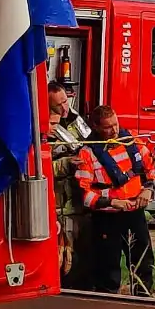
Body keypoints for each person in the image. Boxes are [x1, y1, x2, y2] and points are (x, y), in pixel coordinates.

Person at [74, 105, 155, 296]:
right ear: (95, 127)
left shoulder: (132, 143)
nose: (114, 130)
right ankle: (107, 304)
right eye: (108, 127)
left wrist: (148, 190)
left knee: (143, 263)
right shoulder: (87, 154)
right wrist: (112, 202)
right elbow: (85, 196)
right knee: (107, 267)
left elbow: (151, 170)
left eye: (116, 124)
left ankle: (144, 297)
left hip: (134, 213)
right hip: (107, 219)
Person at [46, 109, 93, 290]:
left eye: (66, 101)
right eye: (51, 123)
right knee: (63, 258)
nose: (55, 128)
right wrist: (65, 163)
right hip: (58, 209)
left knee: (79, 257)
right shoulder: (35, 137)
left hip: (78, 207)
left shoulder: (75, 126)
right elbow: (37, 168)